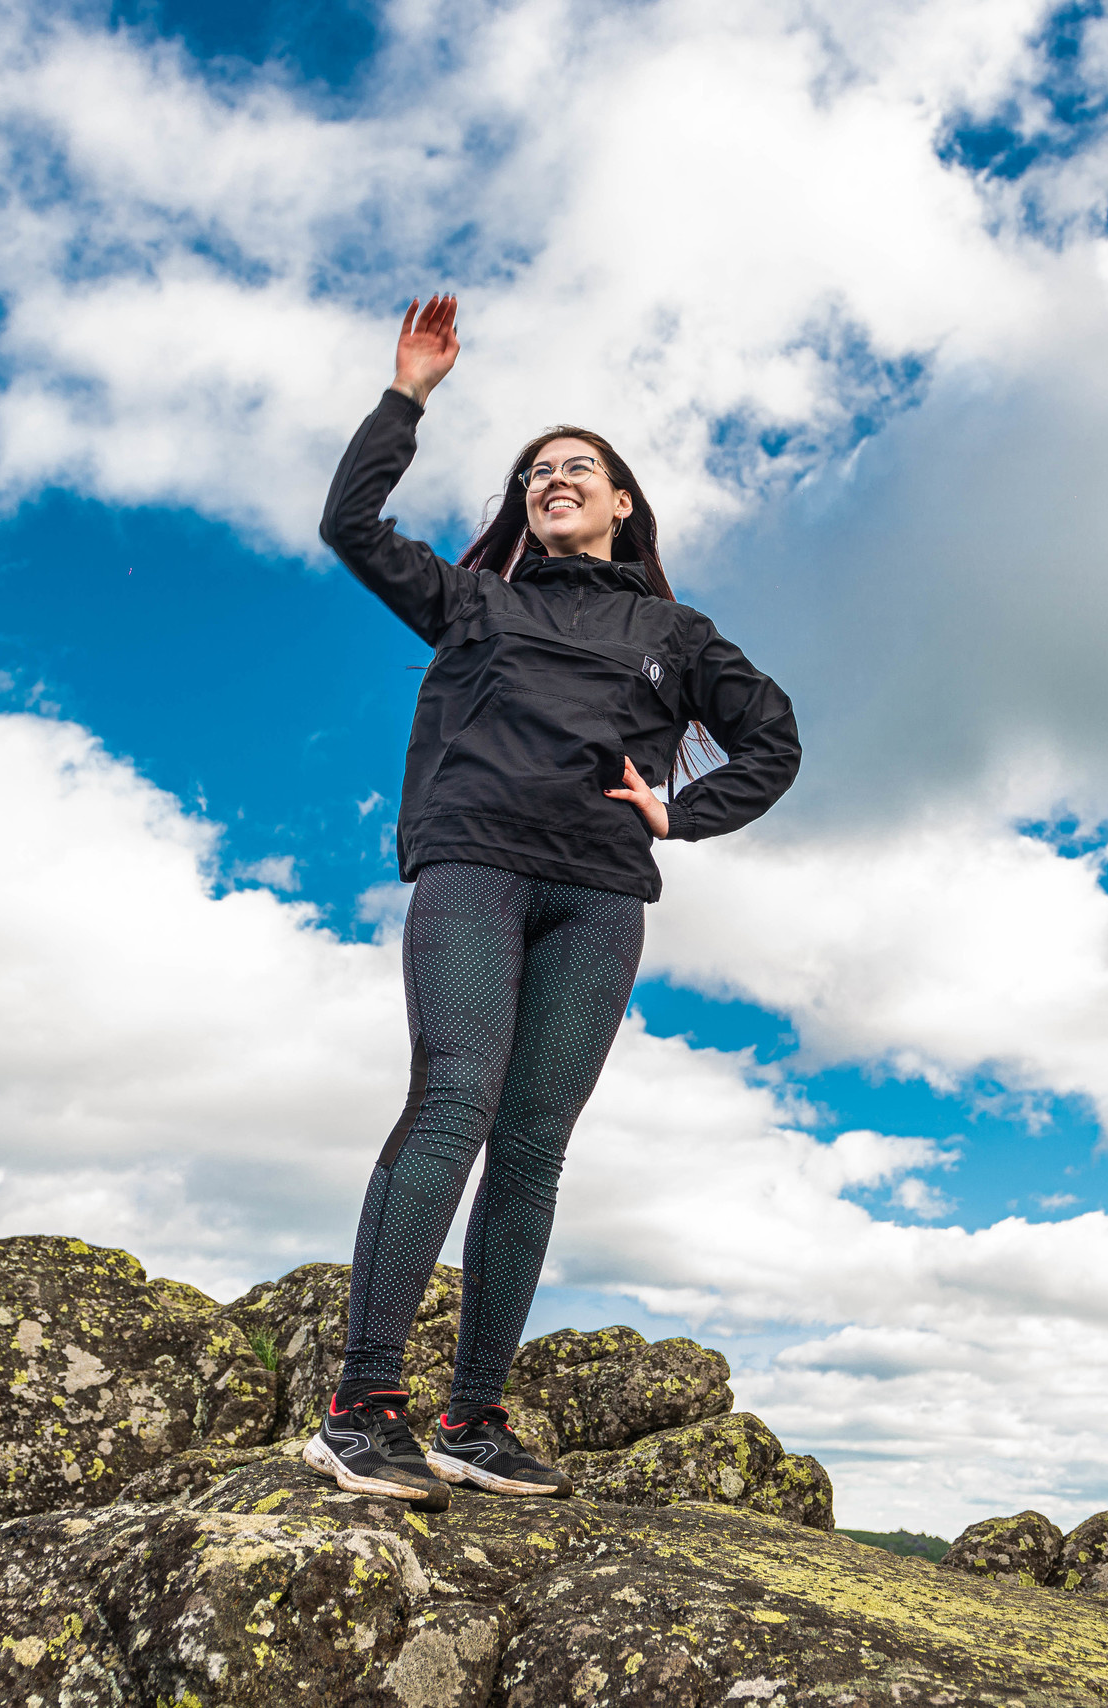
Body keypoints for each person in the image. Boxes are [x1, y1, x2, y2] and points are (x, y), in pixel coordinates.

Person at [305, 294, 802, 1508]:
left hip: (598, 899)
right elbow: (349, 523)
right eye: (536, 471)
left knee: (532, 1147)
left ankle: (473, 1419)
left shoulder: (672, 631)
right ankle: (362, 1406)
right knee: (456, 1099)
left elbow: (773, 738)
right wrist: (407, 393)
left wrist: (680, 814)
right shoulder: (476, 601)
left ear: (623, 502)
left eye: (578, 468)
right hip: (475, 867)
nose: (554, 479)